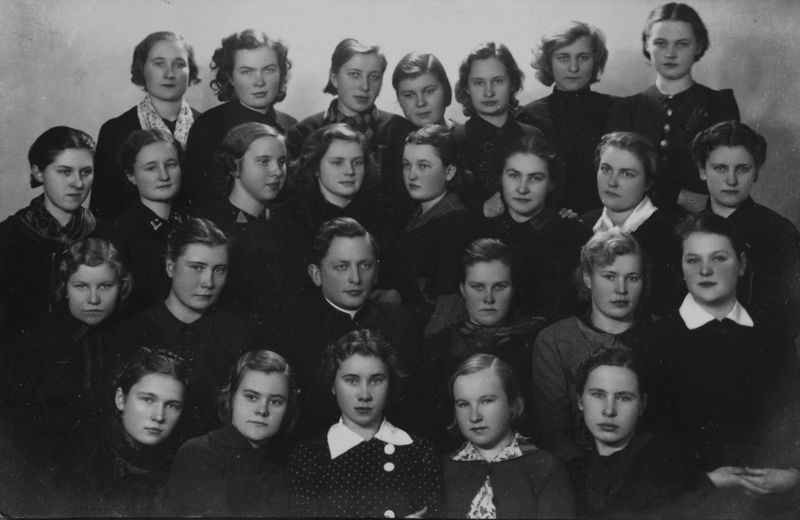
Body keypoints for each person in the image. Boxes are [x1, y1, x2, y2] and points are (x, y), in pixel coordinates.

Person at [643, 213, 800, 502]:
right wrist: (705, 481)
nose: (705, 270)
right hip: (686, 501)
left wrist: (794, 473)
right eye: (693, 260)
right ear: (681, 267)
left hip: (768, 500)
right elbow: (648, 442)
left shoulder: (774, 337)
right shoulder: (656, 340)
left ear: (741, 264)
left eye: (718, 258)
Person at [109, 218, 255, 438]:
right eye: (197, 267)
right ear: (170, 266)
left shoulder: (239, 334)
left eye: (219, 270)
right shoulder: (132, 331)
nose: (208, 282)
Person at [274, 217, 418, 440]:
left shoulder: (399, 322)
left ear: (377, 271)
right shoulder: (291, 328)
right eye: (342, 267)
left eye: (365, 265)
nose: (355, 278)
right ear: (316, 274)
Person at [4, 238, 132, 474]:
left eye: (105, 286)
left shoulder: (129, 337)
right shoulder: (34, 342)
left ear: (121, 286)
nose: (93, 299)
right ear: (64, 288)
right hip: (42, 470)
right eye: (81, 286)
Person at [287, 329, 442, 518]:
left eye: (376, 380)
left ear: (390, 383)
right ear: (332, 385)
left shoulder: (420, 453)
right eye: (351, 381)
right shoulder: (308, 458)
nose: (364, 395)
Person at [531, 229, 652, 464]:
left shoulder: (662, 334)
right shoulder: (555, 340)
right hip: (578, 470)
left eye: (632, 278)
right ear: (587, 278)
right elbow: (553, 434)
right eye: (609, 276)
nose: (621, 289)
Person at [607, 3, 739, 212]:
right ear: (647, 46)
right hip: (635, 221)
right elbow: (614, 178)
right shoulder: (626, 108)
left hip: (702, 222)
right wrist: (678, 196)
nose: (670, 53)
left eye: (682, 44)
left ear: (698, 46)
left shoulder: (719, 105)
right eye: (660, 43)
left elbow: (727, 175)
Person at [424, 239, 545, 450]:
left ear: (513, 288)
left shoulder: (535, 343)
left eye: (499, 286)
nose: (488, 298)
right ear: (462, 288)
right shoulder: (438, 347)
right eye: (477, 287)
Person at [570, 347, 714, 517]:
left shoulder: (669, 462)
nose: (609, 411)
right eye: (598, 395)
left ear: (642, 405)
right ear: (580, 401)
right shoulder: (572, 471)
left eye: (624, 398)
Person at [692, 120, 800, 340]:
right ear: (703, 171)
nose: (731, 180)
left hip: (759, 353)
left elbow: (788, 317)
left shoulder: (779, 232)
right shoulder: (683, 230)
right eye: (720, 168)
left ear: (756, 172)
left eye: (742, 169)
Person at [443, 354, 575, 519]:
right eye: (463, 404)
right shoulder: (443, 468)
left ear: (514, 404)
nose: (474, 416)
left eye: (487, 401)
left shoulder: (546, 468)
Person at [286, 38, 415, 207]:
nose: (364, 86)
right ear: (334, 78)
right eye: (354, 74)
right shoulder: (303, 132)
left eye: (374, 77)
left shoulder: (399, 130)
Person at [165, 350, 294, 517]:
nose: (262, 410)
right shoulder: (199, 453)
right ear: (231, 397)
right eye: (252, 397)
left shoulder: (279, 472)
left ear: (287, 408)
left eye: (276, 401)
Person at [381, 124, 478, 336]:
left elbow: (449, 303)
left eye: (423, 166)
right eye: (407, 165)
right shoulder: (412, 215)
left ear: (449, 171)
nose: (411, 175)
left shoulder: (458, 223)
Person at [0, 126, 97, 340]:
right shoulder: (7, 237)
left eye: (86, 172)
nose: (78, 183)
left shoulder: (104, 233)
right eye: (64, 171)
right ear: (38, 172)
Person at [91, 31, 201, 220]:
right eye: (159, 63)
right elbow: (103, 209)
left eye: (179, 64)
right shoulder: (116, 130)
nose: (169, 74)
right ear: (142, 69)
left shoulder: (207, 125)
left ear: (190, 70)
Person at [483, 134, 590, 321]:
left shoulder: (573, 234)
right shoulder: (483, 230)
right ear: (501, 178)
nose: (522, 188)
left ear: (551, 183)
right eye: (514, 175)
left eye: (535, 178)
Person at [184, 29, 296, 208]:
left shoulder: (292, 125)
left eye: (269, 70)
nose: (259, 81)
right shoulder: (209, 126)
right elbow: (201, 199)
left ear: (281, 74)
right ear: (231, 78)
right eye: (247, 71)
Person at [580, 131, 683, 315]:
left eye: (627, 174)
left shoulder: (670, 234)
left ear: (648, 183)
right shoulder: (584, 224)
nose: (611, 182)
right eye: (605, 169)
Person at [516, 21, 613, 214]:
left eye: (583, 57)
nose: (573, 67)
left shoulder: (616, 108)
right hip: (550, 220)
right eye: (563, 58)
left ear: (595, 60)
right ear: (548, 63)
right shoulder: (528, 117)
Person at [89, 348, 188, 517]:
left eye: (172, 405)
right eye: (147, 399)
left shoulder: (183, 466)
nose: (158, 416)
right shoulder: (91, 466)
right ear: (121, 399)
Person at [98, 129, 187, 314]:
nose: (163, 176)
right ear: (131, 176)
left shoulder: (195, 225)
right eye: (151, 168)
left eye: (171, 164)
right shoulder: (116, 234)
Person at [452, 41, 543, 215]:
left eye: (498, 81)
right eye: (479, 83)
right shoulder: (455, 139)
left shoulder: (533, 135)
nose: (488, 92)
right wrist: (481, 208)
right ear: (467, 88)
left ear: (512, 84)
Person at [277, 123, 386, 246]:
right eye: (338, 163)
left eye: (357, 162)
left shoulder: (383, 214)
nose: (350, 171)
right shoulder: (288, 217)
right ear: (315, 167)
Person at [195, 122, 288, 236]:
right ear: (234, 166)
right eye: (264, 162)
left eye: (282, 162)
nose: (278, 171)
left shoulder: (287, 223)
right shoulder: (209, 226)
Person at [391, 51, 453, 129]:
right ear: (399, 101)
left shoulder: (468, 137)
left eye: (429, 91)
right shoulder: (391, 140)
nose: (420, 103)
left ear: (446, 91)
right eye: (409, 95)